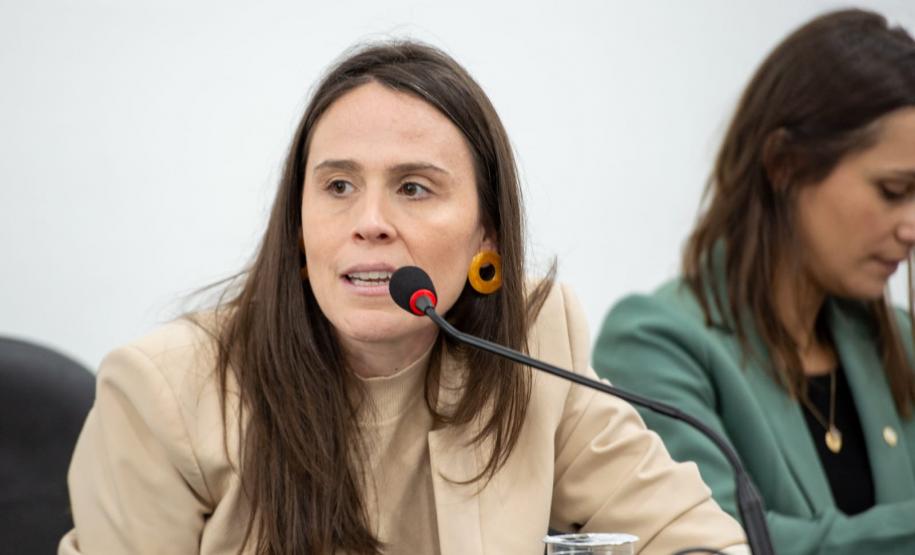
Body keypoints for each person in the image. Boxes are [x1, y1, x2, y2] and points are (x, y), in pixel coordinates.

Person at [59, 41, 746, 554]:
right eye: (338, 186)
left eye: (414, 187)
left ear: (486, 236)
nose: (369, 221)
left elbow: (692, 538)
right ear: (297, 227)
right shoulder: (164, 392)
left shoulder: (531, 343)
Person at [594, 8, 915, 555]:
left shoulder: (898, 340)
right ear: (785, 164)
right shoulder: (654, 341)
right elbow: (716, 542)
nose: (910, 227)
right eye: (892, 191)